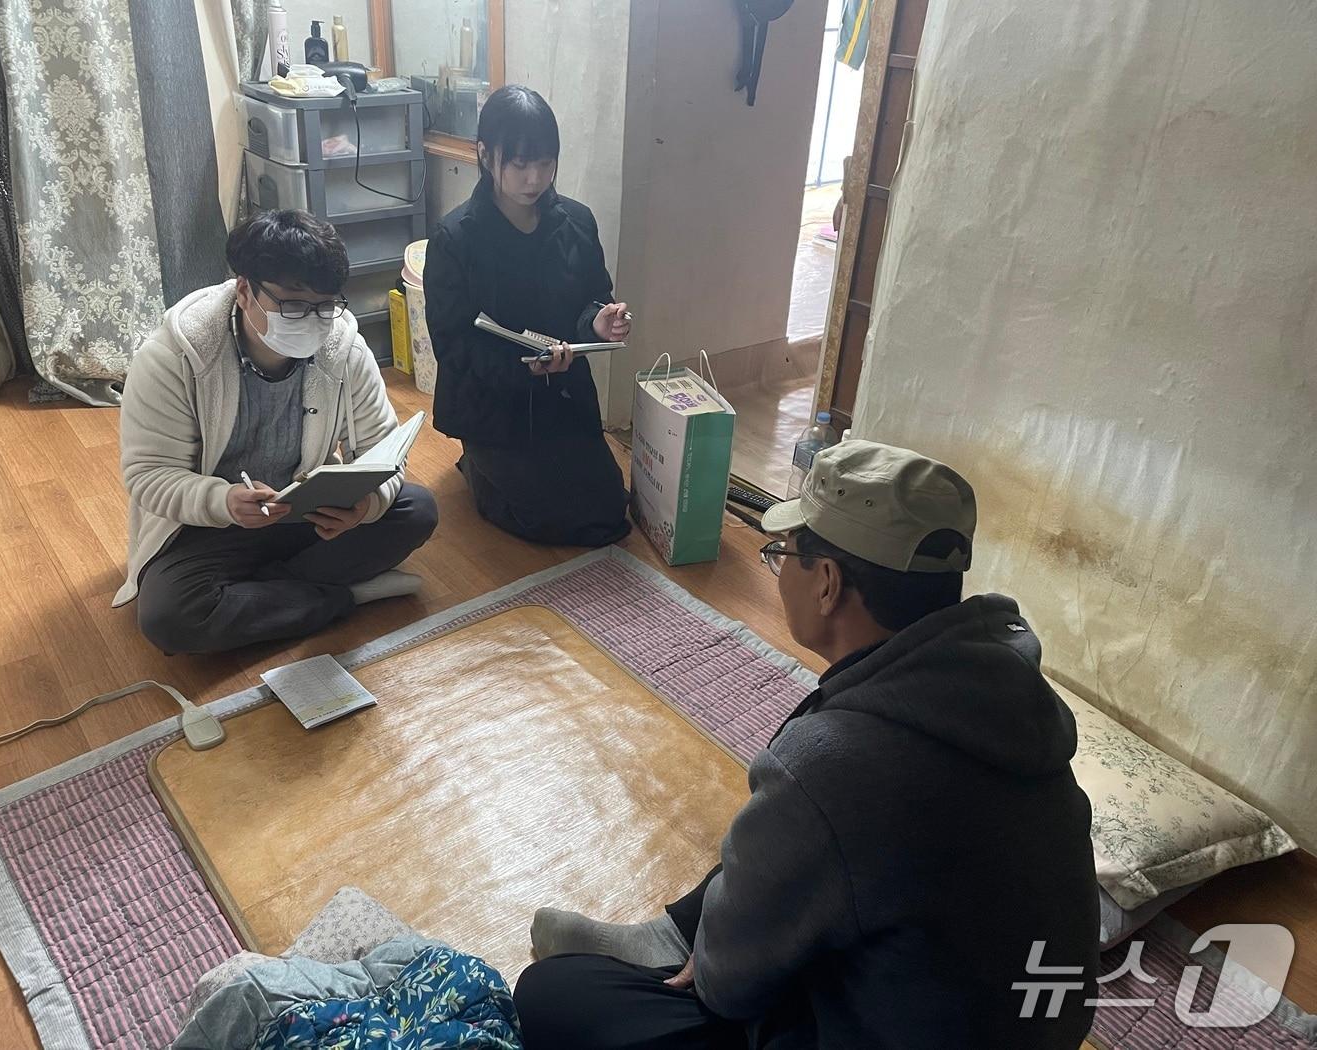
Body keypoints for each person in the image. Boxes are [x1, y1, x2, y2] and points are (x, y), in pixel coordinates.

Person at [515, 440, 1100, 1048]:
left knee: (554, 995)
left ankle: (689, 944)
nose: (779, 568)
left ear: (827, 583)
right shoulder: (1006, 693)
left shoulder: (835, 758)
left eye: (782, 553)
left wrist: (725, 965)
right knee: (792, 839)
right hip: (1021, 1022)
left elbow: (726, 990)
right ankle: (680, 934)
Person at [114, 210, 439, 654]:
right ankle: (345, 593)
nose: (312, 320)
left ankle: (260, 597)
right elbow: (148, 475)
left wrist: (365, 505)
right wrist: (222, 501)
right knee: (168, 617)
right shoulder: (175, 357)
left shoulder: (343, 347)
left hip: (307, 513)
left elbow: (383, 451)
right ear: (245, 290)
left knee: (416, 509)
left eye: (325, 306)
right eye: (293, 305)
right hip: (210, 524)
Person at [424, 85, 632, 547]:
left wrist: (599, 321)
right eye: (518, 164)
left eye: (544, 162)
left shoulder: (576, 221)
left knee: (609, 512)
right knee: (545, 519)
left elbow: (593, 298)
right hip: (493, 402)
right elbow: (453, 344)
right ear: (484, 155)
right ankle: (476, 464)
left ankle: (498, 467)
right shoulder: (455, 238)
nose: (533, 178)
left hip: (561, 392)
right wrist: (525, 369)